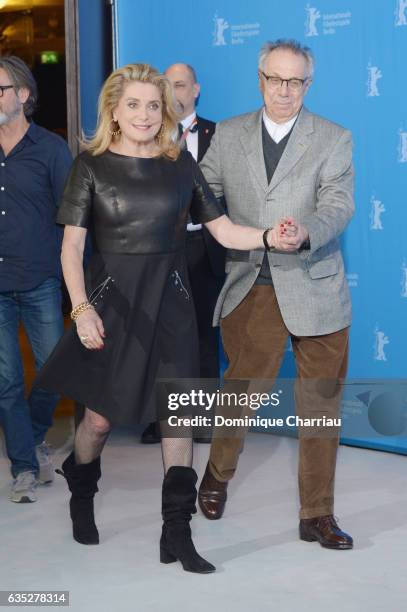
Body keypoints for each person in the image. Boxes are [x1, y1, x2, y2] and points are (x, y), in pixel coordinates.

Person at [36, 63, 277, 574]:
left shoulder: (181, 165)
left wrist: (267, 237)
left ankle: (177, 533)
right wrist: (80, 310)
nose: (144, 114)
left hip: (171, 303)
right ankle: (82, 487)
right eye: (133, 105)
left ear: (164, 110)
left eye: (153, 104)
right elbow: (71, 248)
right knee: (98, 420)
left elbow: (225, 231)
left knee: (178, 418)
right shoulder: (91, 166)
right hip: (109, 304)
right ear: (114, 112)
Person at [198, 39, 354, 551]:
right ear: (260, 78)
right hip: (252, 288)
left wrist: (306, 231)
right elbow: (204, 188)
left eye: (296, 82)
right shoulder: (229, 133)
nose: (285, 91)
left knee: (320, 411)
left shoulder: (333, 138)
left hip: (315, 287)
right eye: (276, 79)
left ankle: (318, 515)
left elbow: (338, 204)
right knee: (240, 398)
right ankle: (217, 474)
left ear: (308, 84)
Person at [0, 56, 72, 503]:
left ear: (23, 95)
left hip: (41, 278)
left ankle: (36, 434)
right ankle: (24, 466)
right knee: (6, 380)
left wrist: (74, 282)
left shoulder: (51, 149)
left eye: (0, 88)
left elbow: (72, 219)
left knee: (54, 369)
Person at [140, 62, 225, 444]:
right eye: (167, 86)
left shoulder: (218, 134)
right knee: (161, 336)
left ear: (196, 89)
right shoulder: (147, 136)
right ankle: (164, 419)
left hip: (204, 246)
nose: (173, 93)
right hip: (161, 249)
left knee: (206, 336)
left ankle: (205, 419)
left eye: (180, 85)